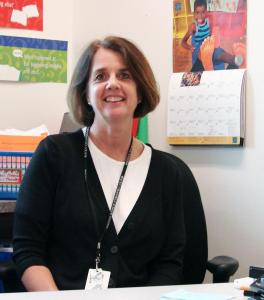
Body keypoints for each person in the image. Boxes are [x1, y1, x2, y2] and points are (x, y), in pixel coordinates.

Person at [13, 36, 186, 291]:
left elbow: (170, 263)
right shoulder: (54, 155)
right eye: (100, 76)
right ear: (86, 94)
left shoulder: (167, 172)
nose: (112, 83)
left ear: (140, 92)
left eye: (125, 75)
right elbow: (28, 251)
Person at [181, 0, 246, 71]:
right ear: (194, 13)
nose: (200, 16)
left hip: (209, 49)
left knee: (218, 51)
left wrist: (212, 41)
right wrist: (190, 47)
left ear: (206, 12)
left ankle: (237, 59)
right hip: (198, 53)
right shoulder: (193, 26)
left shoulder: (208, 22)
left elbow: (210, 34)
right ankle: (235, 60)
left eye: (203, 12)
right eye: (197, 13)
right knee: (215, 52)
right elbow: (183, 42)